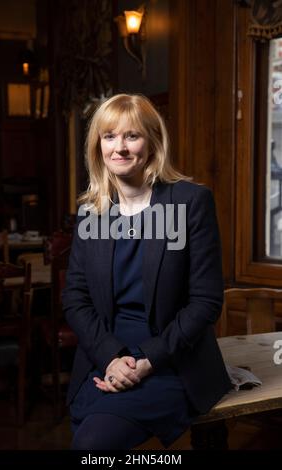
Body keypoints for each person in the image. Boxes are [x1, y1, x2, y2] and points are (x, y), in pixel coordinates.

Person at [62, 93, 232, 450]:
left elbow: (206, 302)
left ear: (152, 143)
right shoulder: (91, 213)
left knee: (92, 446)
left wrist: (147, 359)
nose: (119, 148)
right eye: (109, 137)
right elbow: (75, 299)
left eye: (131, 136)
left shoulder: (190, 203)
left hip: (171, 360)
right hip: (104, 357)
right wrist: (111, 357)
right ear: (97, 147)